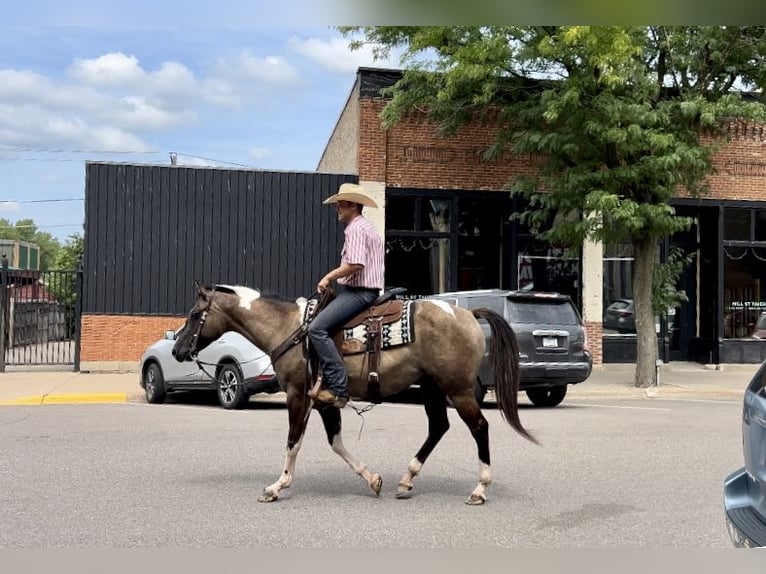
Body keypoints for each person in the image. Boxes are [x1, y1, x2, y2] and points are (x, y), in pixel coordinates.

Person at [307, 183, 385, 408]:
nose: (337, 209)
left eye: (340, 205)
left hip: (360, 293)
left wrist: (328, 277)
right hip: (360, 290)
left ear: (353, 205)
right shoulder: (366, 227)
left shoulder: (356, 229)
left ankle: (338, 389)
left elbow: (356, 264)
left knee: (316, 329)